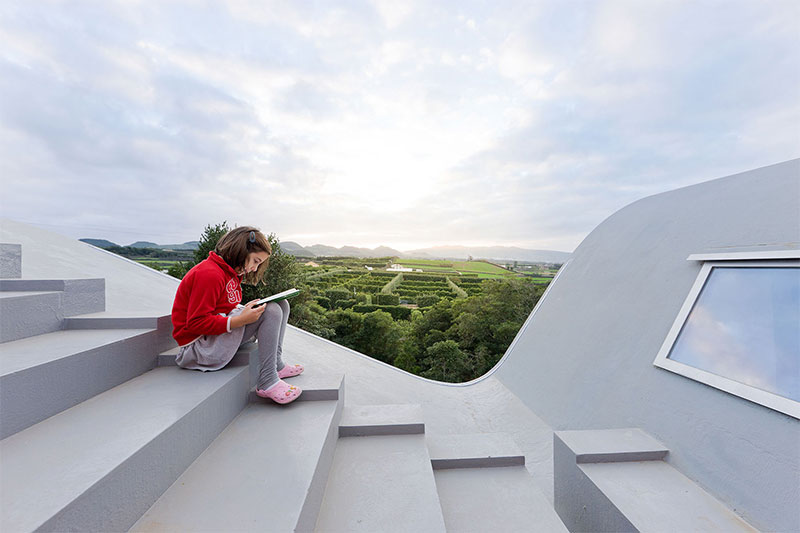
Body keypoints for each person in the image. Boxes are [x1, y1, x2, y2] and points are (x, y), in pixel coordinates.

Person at [171, 226, 304, 404]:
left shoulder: (229, 273)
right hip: (198, 348)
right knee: (270, 311)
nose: (255, 268)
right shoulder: (209, 274)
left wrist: (243, 310)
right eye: (256, 261)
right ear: (241, 251)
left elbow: (222, 308)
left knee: (281, 304)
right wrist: (240, 319)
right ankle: (267, 381)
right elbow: (196, 323)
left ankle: (277, 365)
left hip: (213, 339)